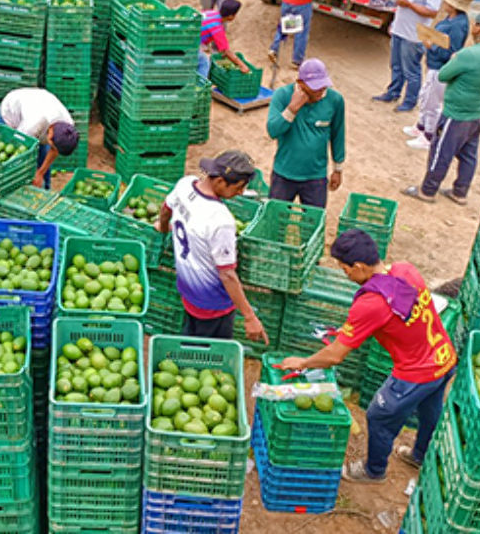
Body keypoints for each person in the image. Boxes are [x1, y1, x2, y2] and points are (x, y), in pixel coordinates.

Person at [277, 229, 457, 483]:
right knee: (430, 408)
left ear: (359, 266)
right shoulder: (405, 270)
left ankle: (374, 471)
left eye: (345, 269)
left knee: (378, 416)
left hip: (417, 373)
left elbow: (336, 355)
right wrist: (357, 329)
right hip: (444, 356)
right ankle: (420, 454)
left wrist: (303, 362)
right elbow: (399, 312)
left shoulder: (370, 303)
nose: (345, 274)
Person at [155, 151, 270, 343]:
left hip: (187, 286)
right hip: (212, 302)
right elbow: (227, 274)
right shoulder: (220, 220)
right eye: (239, 187)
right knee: (207, 352)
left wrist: (164, 228)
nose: (241, 193)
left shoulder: (185, 184)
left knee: (192, 334)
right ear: (220, 182)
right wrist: (250, 317)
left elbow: (166, 209)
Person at [403, 9, 480, 205]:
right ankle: (460, 192)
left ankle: (427, 191)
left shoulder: (469, 55)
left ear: (479, 28)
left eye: (475, 25)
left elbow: (443, 75)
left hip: (458, 114)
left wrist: (454, 60)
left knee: (441, 152)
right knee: (468, 154)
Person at [265, 59, 345, 209]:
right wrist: (292, 109)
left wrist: (338, 169)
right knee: (275, 220)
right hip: (284, 174)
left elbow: (338, 135)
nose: (321, 92)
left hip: (316, 177)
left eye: (323, 86)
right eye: (315, 88)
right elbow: (273, 131)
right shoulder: (282, 96)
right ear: (300, 83)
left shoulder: (335, 100)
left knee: (313, 223)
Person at [373, 0, 444, 112]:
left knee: (411, 69)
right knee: (396, 64)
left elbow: (433, 12)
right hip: (400, 29)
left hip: (413, 35)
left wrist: (409, 5)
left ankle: (410, 101)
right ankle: (393, 92)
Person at [405, 0, 473, 150]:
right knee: (425, 95)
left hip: (440, 67)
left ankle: (429, 136)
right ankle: (421, 126)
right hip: (433, 64)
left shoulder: (457, 25)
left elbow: (451, 50)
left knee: (432, 101)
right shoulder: (451, 19)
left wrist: (432, 46)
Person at [0, 88, 81, 190]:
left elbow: (55, 150)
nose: (52, 147)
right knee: (9, 158)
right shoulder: (33, 125)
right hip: (12, 110)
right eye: (52, 144)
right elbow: (18, 150)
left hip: (41, 104)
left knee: (42, 160)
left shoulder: (67, 127)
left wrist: (40, 173)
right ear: (50, 132)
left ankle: (45, 190)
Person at [199, 0, 248, 79]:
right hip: (191, 43)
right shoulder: (217, 27)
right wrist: (242, 65)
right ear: (231, 16)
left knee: (205, 52)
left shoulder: (211, 13)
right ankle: (200, 86)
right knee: (204, 62)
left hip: (191, 37)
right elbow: (226, 51)